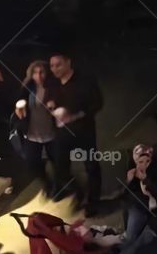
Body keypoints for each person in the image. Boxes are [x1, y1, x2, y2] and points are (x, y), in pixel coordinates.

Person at [45, 52, 103, 214]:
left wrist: (76, 115)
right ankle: (75, 193)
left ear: (68, 63)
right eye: (52, 66)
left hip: (84, 131)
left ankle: (93, 202)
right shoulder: (52, 83)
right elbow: (49, 99)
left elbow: (98, 103)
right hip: (62, 133)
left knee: (91, 166)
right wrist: (50, 105)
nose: (54, 69)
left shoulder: (85, 81)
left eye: (58, 65)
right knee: (60, 167)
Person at [10, 59, 57, 187]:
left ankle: (62, 187)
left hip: (51, 133)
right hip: (32, 134)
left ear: (47, 73)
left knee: (59, 163)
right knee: (32, 163)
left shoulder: (53, 87)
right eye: (35, 72)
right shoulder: (27, 88)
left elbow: (63, 103)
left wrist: (56, 106)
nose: (39, 75)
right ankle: (47, 185)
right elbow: (18, 104)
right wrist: (18, 111)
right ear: (31, 74)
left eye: (42, 72)